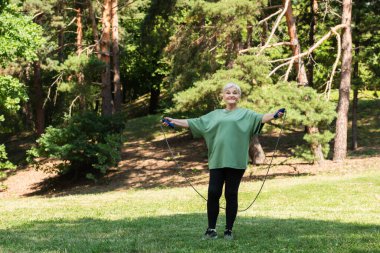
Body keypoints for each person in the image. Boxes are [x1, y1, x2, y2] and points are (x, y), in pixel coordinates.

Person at [162, 82, 284, 240]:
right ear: (223, 96)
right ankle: (211, 229)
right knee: (213, 192)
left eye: (235, 92)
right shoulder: (215, 115)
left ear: (239, 96)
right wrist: (173, 121)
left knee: (231, 194)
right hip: (217, 160)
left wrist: (275, 114)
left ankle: (228, 230)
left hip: (237, 161)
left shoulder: (247, 114)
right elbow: (193, 122)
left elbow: (262, 118)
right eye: (228, 92)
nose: (231, 95)